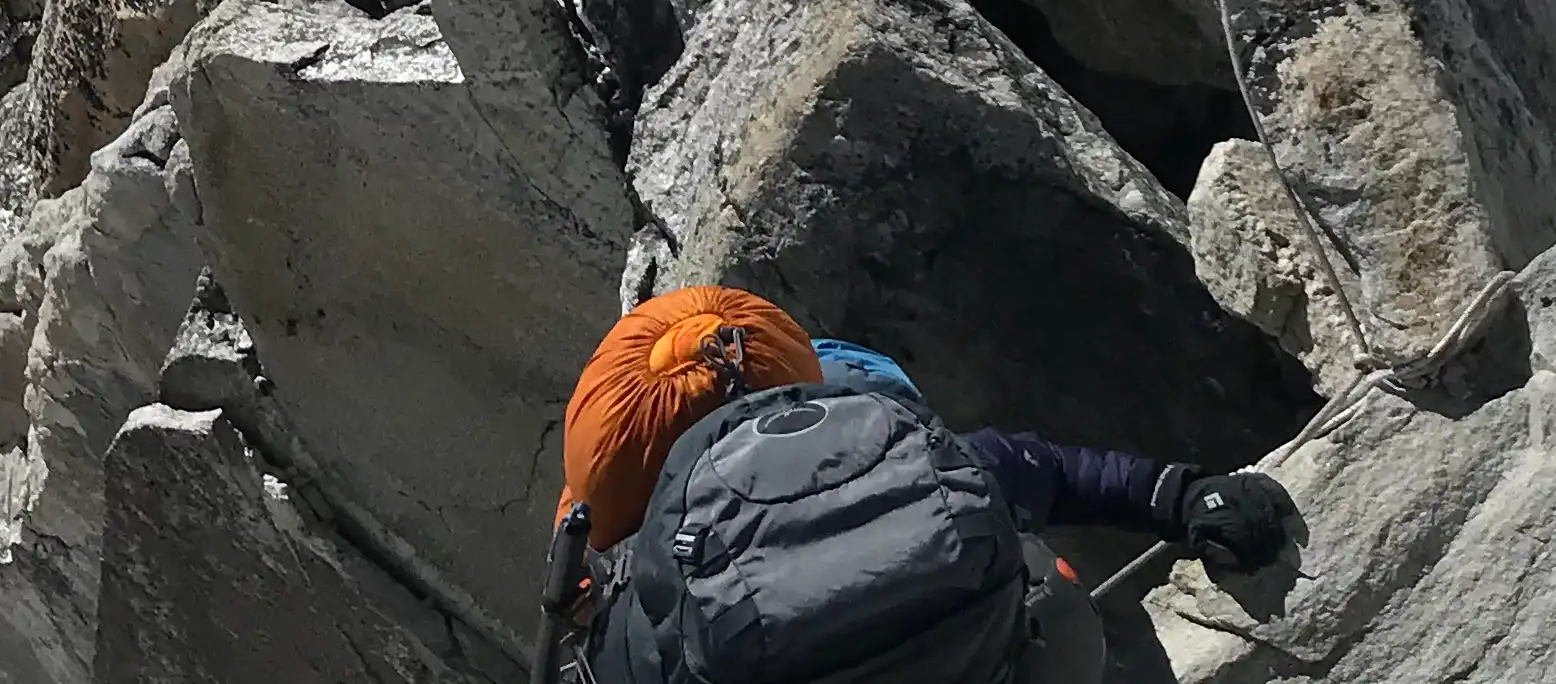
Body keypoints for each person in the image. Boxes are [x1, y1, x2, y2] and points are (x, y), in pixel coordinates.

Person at [548, 288, 1298, 684]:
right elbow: (1055, 472)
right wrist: (1183, 493)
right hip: (999, 657)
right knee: (1038, 580)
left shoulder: (629, 629)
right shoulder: (922, 467)